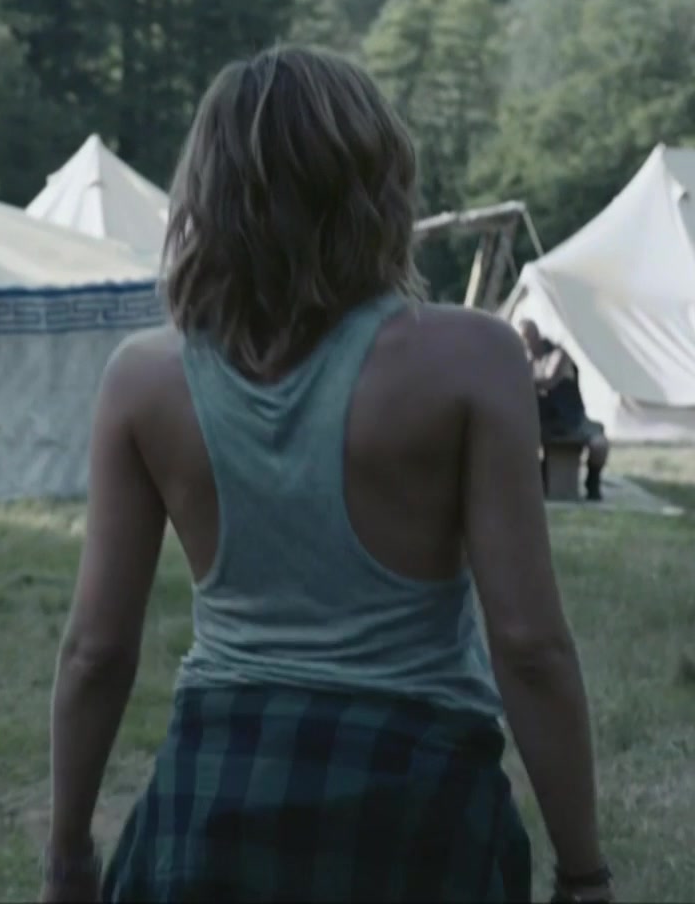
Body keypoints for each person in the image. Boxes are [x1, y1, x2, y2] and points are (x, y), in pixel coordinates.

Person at [39, 46, 609, 903]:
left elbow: (95, 652)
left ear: (205, 196)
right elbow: (528, 646)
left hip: (212, 798)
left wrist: (69, 858)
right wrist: (585, 873)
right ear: (377, 188)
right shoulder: (472, 358)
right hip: (416, 801)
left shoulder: (143, 380)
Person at [520, 320, 611, 501]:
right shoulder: (523, 359)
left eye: (527, 338)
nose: (526, 344)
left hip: (572, 419)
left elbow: (549, 380)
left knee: (599, 445)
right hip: (541, 421)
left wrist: (521, 377)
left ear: (536, 336)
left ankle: (592, 482)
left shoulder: (558, 355)